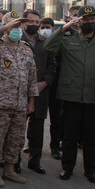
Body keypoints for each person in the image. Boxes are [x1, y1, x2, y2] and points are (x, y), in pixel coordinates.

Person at [43, 5, 95, 183]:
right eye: (86, 19)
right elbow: (48, 46)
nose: (90, 22)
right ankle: (67, 168)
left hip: (94, 96)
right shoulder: (68, 39)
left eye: (93, 20)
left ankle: (90, 170)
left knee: (92, 137)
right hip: (71, 96)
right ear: (79, 21)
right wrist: (65, 28)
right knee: (69, 136)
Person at [0, 13, 38, 186]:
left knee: (16, 139)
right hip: (0, 103)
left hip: (20, 104)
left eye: (19, 26)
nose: (16, 30)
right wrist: (3, 28)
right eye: (13, 26)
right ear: (5, 27)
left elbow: (32, 77)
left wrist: (31, 101)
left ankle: (10, 169)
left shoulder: (26, 48)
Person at [20, 10, 57, 174]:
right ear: (23, 23)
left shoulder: (45, 42)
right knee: (17, 130)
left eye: (37, 22)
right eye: (30, 21)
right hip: (19, 93)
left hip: (40, 92)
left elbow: (52, 66)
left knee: (37, 131)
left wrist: (45, 82)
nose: (34, 25)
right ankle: (13, 162)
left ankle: (35, 162)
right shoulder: (16, 40)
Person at [41, 17, 64, 160]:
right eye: (42, 27)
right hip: (40, 85)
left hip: (56, 84)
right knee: (36, 118)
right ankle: (31, 145)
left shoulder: (60, 42)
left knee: (56, 118)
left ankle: (55, 146)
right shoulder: (35, 42)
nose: (45, 30)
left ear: (53, 28)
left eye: (48, 27)